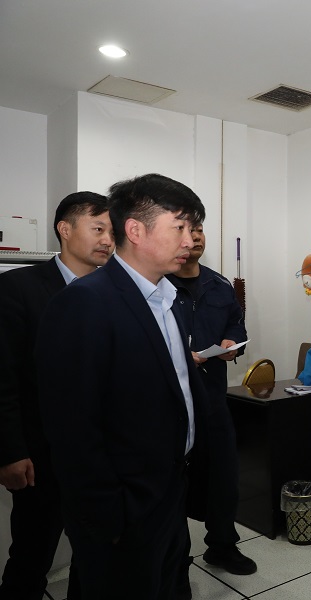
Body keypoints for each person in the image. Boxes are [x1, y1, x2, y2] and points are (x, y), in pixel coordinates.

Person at [35, 174, 209, 600]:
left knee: (168, 583)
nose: (190, 240)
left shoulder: (170, 299)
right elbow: (72, 426)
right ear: (135, 230)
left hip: (169, 488)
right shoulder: (84, 302)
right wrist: (106, 516)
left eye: (193, 228)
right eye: (180, 227)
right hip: (123, 504)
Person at [0, 192, 112, 600]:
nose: (108, 240)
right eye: (98, 229)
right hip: (41, 456)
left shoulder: (115, 292)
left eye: (113, 232)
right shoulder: (18, 287)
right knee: (31, 554)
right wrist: (10, 452)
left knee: (96, 555)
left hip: (102, 455)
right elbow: (3, 376)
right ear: (65, 229)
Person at [167, 220, 255, 594]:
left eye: (200, 230)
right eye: (187, 230)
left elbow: (237, 325)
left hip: (213, 398)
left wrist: (232, 343)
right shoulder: (156, 283)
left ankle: (222, 546)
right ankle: (175, 560)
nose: (196, 237)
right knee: (172, 484)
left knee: (224, 476)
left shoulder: (219, 285)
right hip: (171, 402)